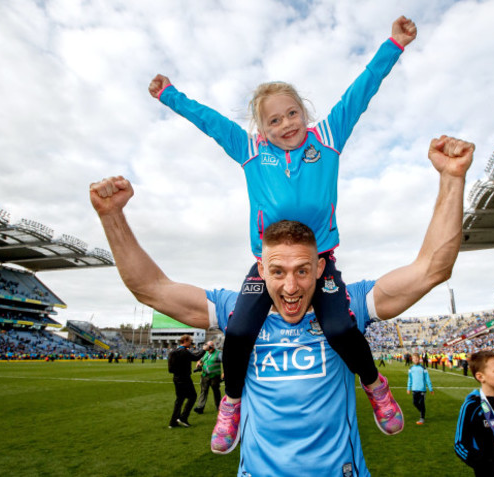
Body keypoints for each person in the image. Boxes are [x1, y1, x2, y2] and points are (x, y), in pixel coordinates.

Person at [89, 134, 473, 475]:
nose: (291, 286)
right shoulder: (235, 309)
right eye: (278, 271)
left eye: (303, 271)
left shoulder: (349, 302)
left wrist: (452, 178)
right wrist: (113, 217)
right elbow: (151, 288)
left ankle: (378, 389)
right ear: (260, 269)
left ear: (321, 267)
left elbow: (431, 270)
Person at [148, 16, 418, 452]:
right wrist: (169, 95)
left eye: (293, 113)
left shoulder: (327, 137)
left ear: (304, 113)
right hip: (269, 264)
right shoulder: (251, 150)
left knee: (341, 329)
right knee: (237, 333)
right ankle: (231, 404)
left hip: (320, 262)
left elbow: (363, 89)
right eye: (275, 120)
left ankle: (375, 387)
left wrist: (395, 44)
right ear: (262, 128)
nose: (287, 123)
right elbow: (210, 121)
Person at [167, 334, 205, 428]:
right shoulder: (184, 351)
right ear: (185, 341)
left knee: (179, 400)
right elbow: (196, 357)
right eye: (190, 341)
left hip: (176, 378)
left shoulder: (173, 352)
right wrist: (204, 349)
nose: (191, 343)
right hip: (185, 378)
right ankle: (183, 417)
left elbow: (170, 369)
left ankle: (173, 422)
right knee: (192, 397)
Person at [194, 341, 223, 415]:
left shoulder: (218, 353)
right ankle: (200, 407)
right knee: (203, 391)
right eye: (209, 346)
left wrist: (224, 373)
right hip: (205, 375)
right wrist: (199, 362)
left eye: (211, 346)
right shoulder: (205, 353)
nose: (210, 348)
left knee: (216, 391)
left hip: (215, 376)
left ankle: (218, 406)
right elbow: (200, 359)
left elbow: (226, 362)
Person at [407, 354, 433, 425]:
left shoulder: (423, 368)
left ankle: (422, 417)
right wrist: (408, 388)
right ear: (412, 360)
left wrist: (430, 388)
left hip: (422, 389)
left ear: (419, 359)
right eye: (414, 359)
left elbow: (427, 378)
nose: (415, 360)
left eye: (417, 359)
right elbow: (410, 379)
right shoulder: (411, 368)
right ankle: (422, 411)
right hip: (414, 389)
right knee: (415, 403)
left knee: (422, 403)